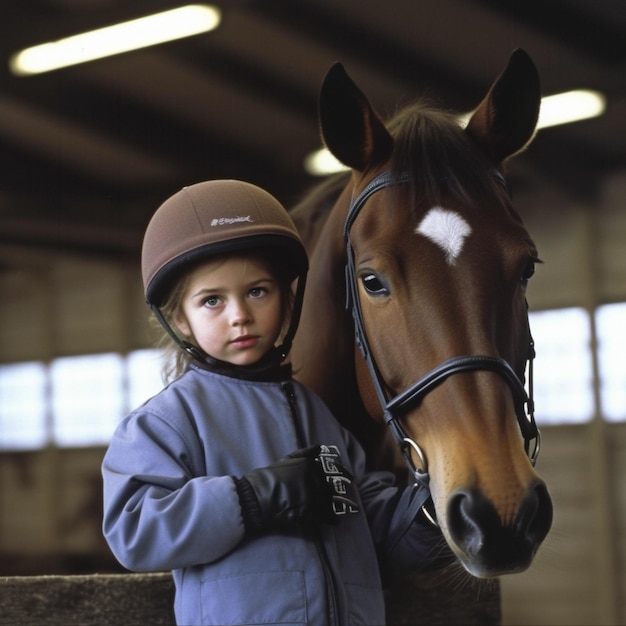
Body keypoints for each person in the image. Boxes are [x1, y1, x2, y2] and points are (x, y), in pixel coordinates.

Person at [102, 180, 449, 626]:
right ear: (180, 321)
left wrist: (428, 513)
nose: (240, 314)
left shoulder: (316, 414)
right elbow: (135, 530)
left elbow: (368, 520)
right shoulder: (164, 423)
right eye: (212, 300)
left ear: (288, 299)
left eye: (257, 291)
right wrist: (251, 497)